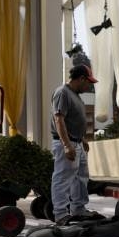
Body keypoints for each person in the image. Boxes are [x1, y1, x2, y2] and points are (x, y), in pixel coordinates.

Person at [50, 64, 104, 226]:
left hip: (76, 142)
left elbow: (72, 120)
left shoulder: (74, 95)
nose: (89, 86)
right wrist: (67, 145)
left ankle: (78, 209)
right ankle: (60, 214)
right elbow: (58, 119)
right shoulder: (62, 93)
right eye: (88, 82)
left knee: (81, 177)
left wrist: (81, 139)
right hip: (66, 143)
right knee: (63, 178)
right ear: (81, 79)